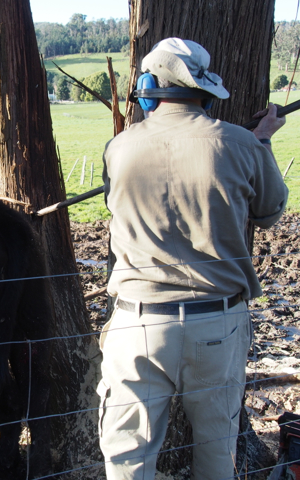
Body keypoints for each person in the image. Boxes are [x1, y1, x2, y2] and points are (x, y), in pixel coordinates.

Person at [98, 38, 289, 480]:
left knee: (127, 458)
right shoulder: (240, 144)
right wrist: (260, 144)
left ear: (149, 89)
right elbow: (269, 212)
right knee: (215, 452)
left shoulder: (119, 148)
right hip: (216, 324)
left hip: (137, 325)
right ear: (204, 89)